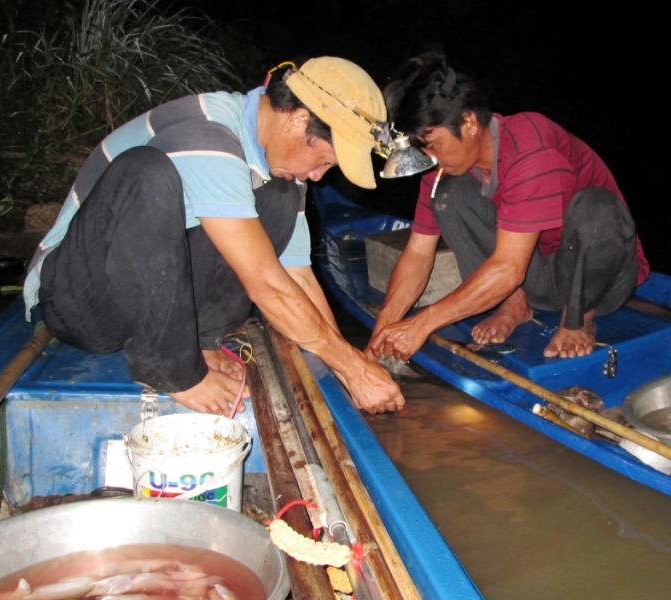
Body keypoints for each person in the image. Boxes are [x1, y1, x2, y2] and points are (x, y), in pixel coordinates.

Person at [23, 57, 405, 415]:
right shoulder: (206, 133)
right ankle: (171, 369)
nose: (318, 176)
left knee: (279, 196)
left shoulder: (279, 168)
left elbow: (298, 277)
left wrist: (346, 369)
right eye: (323, 161)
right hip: (80, 302)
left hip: (141, 298)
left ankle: (202, 341)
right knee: (147, 171)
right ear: (297, 121)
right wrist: (353, 367)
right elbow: (267, 286)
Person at [367, 50, 650, 363]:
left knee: (597, 207)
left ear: (468, 122)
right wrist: (382, 331)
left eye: (433, 144)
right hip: (538, 276)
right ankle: (513, 303)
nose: (430, 157)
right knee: (449, 191)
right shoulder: (442, 171)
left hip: (603, 280)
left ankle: (579, 318)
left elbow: (510, 269)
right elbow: (419, 253)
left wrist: (422, 324)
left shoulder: (529, 147)